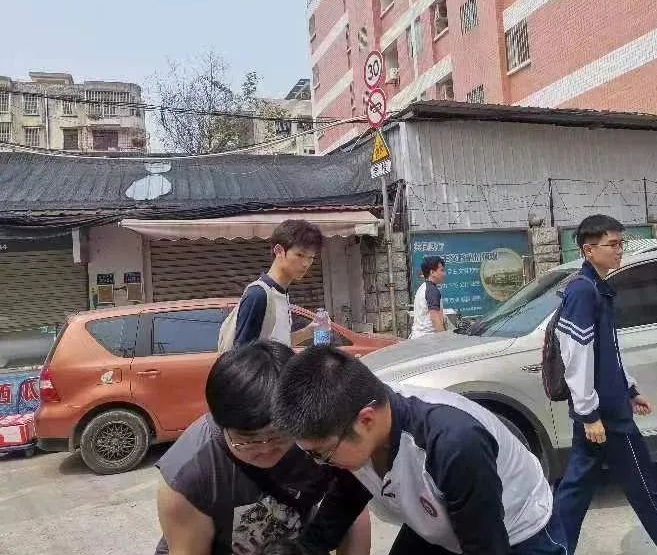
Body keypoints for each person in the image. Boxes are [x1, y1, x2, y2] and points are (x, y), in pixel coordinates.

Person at [272, 345, 569, 555]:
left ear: (366, 420)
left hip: (515, 535)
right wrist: (306, 549)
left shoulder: (452, 444)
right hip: (442, 523)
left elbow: (485, 545)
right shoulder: (355, 420)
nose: (319, 464)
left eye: (321, 454)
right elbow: (348, 494)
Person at [554, 215, 657, 555]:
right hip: (607, 418)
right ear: (589, 250)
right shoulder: (584, 290)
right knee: (648, 495)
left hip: (603, 410)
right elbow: (576, 355)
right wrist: (590, 413)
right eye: (613, 244)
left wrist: (630, 389)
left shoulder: (596, 287)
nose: (620, 250)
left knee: (574, 494)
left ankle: (551, 550)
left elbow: (608, 352)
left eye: (621, 243)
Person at [154, 341, 371, 555]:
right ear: (222, 424)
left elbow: (353, 511)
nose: (266, 449)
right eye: (249, 440)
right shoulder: (189, 476)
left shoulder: (319, 437)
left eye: (279, 435)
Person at [233, 219, 323, 348]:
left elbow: (277, 345)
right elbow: (242, 354)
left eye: (311, 257)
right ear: (279, 251)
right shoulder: (258, 295)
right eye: (300, 255)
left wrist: (307, 332)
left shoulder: (281, 293)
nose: (305, 264)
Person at [409, 255, 447, 338]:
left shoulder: (422, 287)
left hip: (418, 337)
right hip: (429, 339)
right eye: (441, 270)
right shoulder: (432, 291)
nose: (444, 274)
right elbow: (435, 318)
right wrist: (444, 339)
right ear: (432, 272)